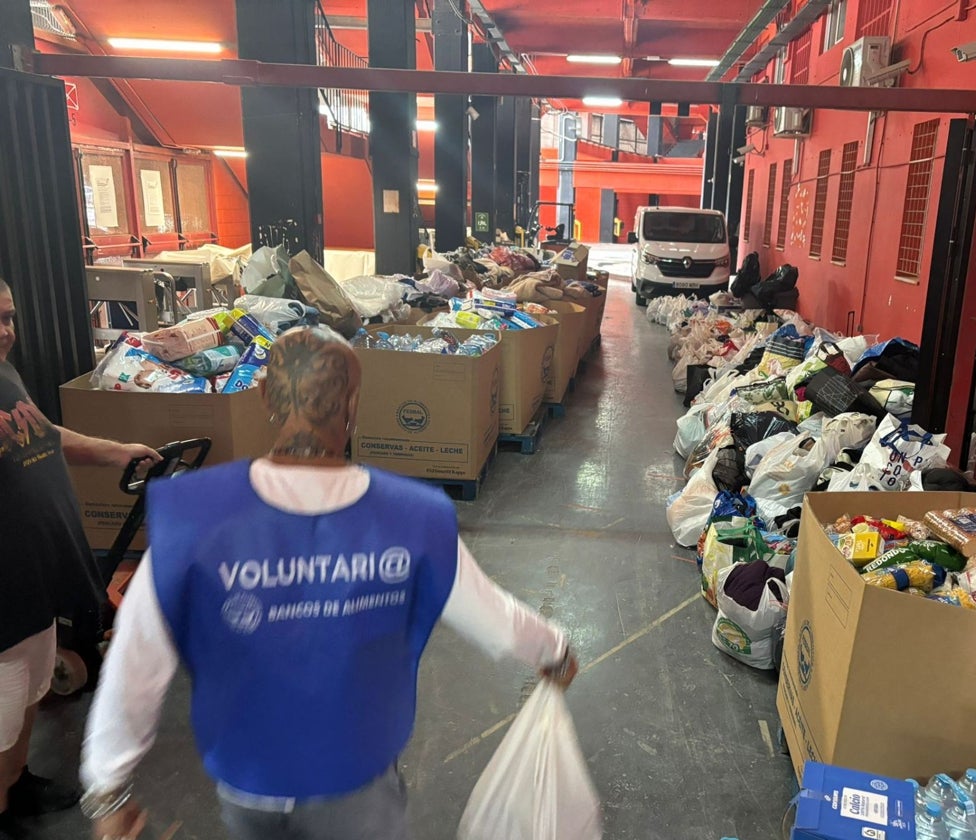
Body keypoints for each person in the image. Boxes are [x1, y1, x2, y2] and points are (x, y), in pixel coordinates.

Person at [81, 326, 578, 840]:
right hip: (355, 779)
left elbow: (136, 657)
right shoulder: (413, 516)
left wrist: (107, 788)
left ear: (265, 396)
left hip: (246, 781)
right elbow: (489, 613)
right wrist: (554, 650)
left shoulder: (194, 516)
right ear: (355, 402)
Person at [0, 278, 161, 840]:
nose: (5, 332)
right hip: (4, 591)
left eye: (9, 318)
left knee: (32, 693)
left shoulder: (5, 375)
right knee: (1, 708)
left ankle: (15, 784)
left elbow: (40, 430)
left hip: (37, 579)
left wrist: (114, 451)